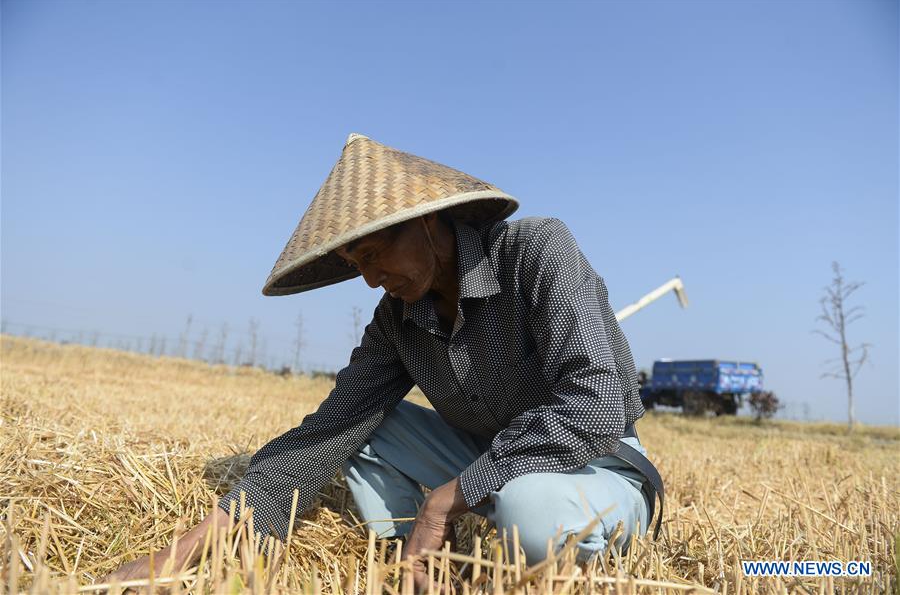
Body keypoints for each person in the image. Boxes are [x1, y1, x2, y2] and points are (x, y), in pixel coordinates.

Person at [103, 134, 663, 590]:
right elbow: (328, 429)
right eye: (356, 262)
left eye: (374, 255)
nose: (370, 278)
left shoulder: (536, 252)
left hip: (594, 462)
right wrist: (185, 550)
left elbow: (599, 401)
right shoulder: (397, 318)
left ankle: (565, 544)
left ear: (425, 221)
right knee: (357, 430)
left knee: (532, 514)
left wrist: (447, 498)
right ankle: (414, 560)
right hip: (485, 459)